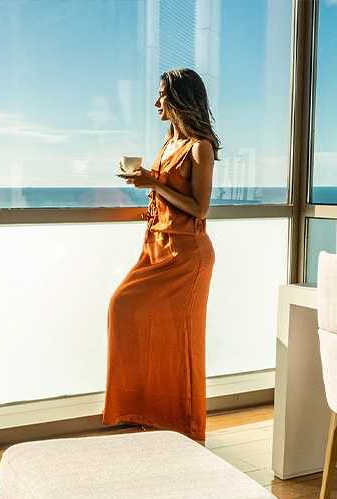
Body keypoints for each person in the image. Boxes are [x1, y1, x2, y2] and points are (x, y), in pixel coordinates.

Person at [102, 68, 219, 440]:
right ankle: (146, 410)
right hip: (156, 245)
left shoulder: (200, 147)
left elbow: (200, 208)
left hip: (187, 253)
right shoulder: (169, 142)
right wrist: (147, 183)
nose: (156, 103)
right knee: (123, 308)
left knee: (182, 339)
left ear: (181, 98)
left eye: (162, 96)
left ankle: (183, 423)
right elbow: (166, 190)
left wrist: (153, 182)